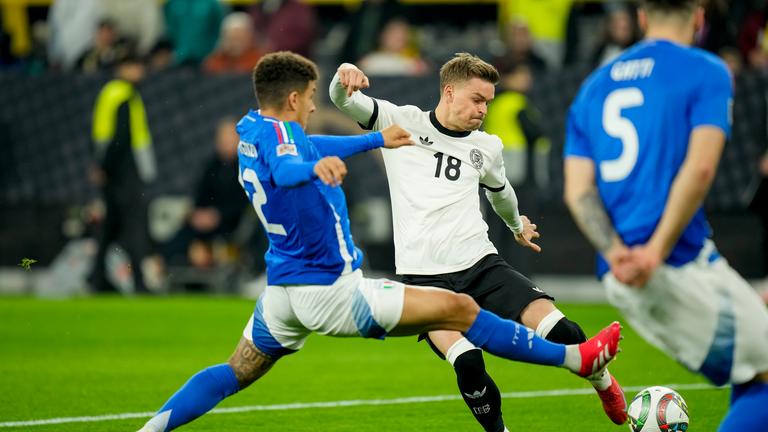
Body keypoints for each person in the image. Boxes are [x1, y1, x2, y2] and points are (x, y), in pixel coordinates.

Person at [136, 51, 622, 432]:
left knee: (234, 372)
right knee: (462, 314)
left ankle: (152, 427)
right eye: (308, 99)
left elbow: (311, 145)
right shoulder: (300, 145)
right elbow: (297, 160)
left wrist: (370, 142)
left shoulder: (253, 131)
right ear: (291, 101)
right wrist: (314, 166)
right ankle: (575, 360)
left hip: (282, 295)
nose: (313, 107)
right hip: (335, 291)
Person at [329, 53, 628, 432]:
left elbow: (501, 193)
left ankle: (604, 384)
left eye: (487, 101)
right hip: (424, 281)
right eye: (477, 99)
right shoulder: (402, 121)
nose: (483, 109)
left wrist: (516, 224)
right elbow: (343, 99)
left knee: (564, 331)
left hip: (481, 265)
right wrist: (343, 76)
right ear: (449, 93)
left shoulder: (486, 147)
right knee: (468, 363)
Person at [562, 1, 768, 430]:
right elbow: (702, 167)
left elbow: (578, 190)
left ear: (641, 18)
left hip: (622, 269)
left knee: (756, 366)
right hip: (673, 262)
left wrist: (617, 252)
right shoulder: (707, 70)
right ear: (698, 17)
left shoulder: (593, 87)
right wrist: (654, 251)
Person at [88, 53, 157, 294]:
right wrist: (105, 167)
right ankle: (139, 283)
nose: (141, 72)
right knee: (134, 228)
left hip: (112, 173)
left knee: (110, 228)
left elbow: (101, 133)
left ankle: (96, 278)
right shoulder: (125, 95)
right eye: (136, 66)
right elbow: (121, 138)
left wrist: (100, 166)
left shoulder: (109, 93)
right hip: (125, 174)